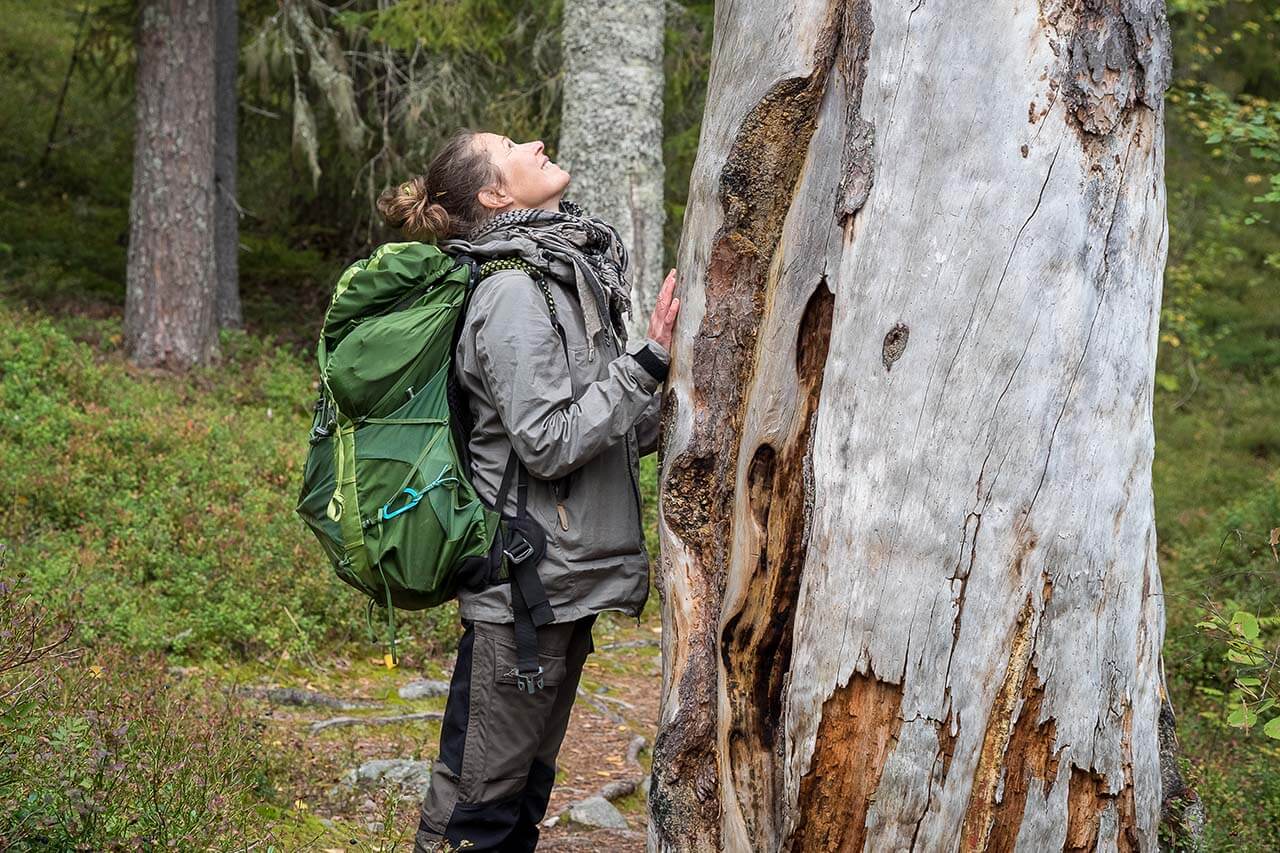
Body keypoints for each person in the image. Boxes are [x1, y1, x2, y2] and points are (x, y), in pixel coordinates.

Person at [376, 128, 680, 852]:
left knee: (520, 799)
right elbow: (547, 442)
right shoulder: (512, 291)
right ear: (494, 194)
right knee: (477, 803)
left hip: (563, 582)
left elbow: (602, 433)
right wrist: (645, 363)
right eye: (513, 144)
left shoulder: (557, 274)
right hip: (524, 590)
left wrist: (671, 396)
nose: (537, 141)